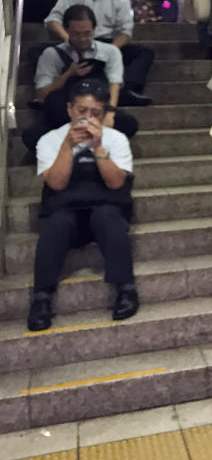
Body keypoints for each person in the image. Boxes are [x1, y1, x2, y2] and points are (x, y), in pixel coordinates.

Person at [27, 79, 138, 331]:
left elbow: (116, 183)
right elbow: (55, 183)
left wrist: (99, 148)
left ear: (104, 113)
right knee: (56, 224)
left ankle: (126, 289)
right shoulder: (49, 140)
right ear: (70, 110)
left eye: (95, 113)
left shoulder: (116, 139)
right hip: (67, 211)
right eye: (82, 112)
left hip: (105, 207)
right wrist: (68, 145)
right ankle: (41, 299)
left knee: (108, 217)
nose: (88, 118)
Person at [24, 5, 139, 153]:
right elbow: (41, 95)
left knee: (129, 124)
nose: (82, 38)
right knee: (31, 136)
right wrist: (68, 74)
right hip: (64, 115)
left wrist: (109, 113)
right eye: (76, 34)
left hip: (96, 113)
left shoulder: (110, 52)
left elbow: (114, 85)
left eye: (87, 33)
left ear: (94, 29)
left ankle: (75, 147)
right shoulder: (51, 54)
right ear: (66, 30)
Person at [46, 0, 153, 106]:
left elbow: (125, 31)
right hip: (76, 43)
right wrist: (70, 41)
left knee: (144, 53)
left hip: (106, 44)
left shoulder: (120, 0)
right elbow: (53, 21)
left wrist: (110, 52)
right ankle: (49, 93)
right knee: (40, 52)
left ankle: (127, 90)